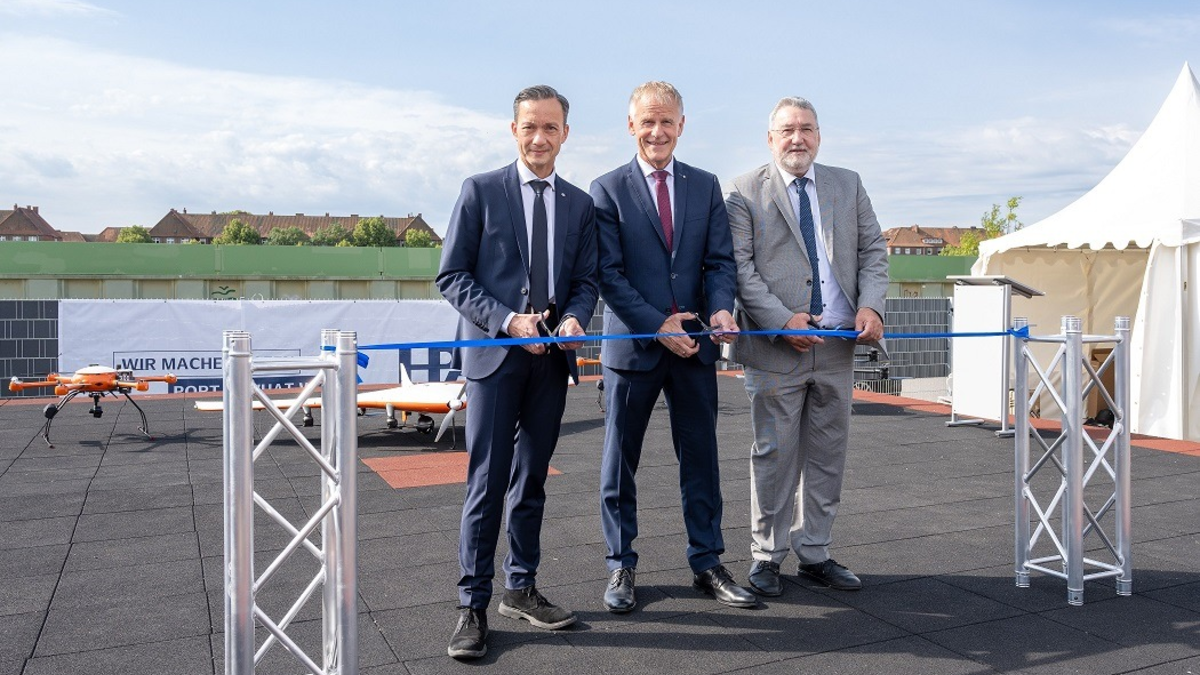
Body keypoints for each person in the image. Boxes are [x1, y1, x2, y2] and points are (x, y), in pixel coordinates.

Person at [436, 84, 599, 659]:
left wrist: (577, 318)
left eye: (550, 127)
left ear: (565, 134)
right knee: (486, 483)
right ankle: (471, 606)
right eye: (530, 126)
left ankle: (520, 588)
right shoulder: (479, 191)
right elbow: (452, 276)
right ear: (514, 130)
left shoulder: (580, 204)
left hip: (551, 364)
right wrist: (507, 321)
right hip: (495, 358)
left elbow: (585, 281)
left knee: (531, 481)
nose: (540, 137)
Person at [590, 81, 755, 613]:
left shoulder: (705, 186)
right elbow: (609, 275)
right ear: (631, 125)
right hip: (634, 348)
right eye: (647, 122)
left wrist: (723, 307)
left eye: (667, 122)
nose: (656, 132)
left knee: (702, 460)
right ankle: (621, 564)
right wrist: (659, 324)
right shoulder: (606, 188)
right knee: (620, 463)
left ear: (682, 125)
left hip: (696, 348)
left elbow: (719, 263)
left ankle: (708, 562)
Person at [725, 96, 888, 597]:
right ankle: (767, 556)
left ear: (819, 135)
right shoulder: (743, 190)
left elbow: (874, 250)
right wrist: (780, 322)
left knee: (827, 454)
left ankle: (814, 551)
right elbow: (742, 270)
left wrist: (873, 306)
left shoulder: (848, 183)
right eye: (788, 130)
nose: (798, 138)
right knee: (774, 452)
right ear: (770, 138)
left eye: (808, 129)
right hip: (777, 347)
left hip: (838, 345)